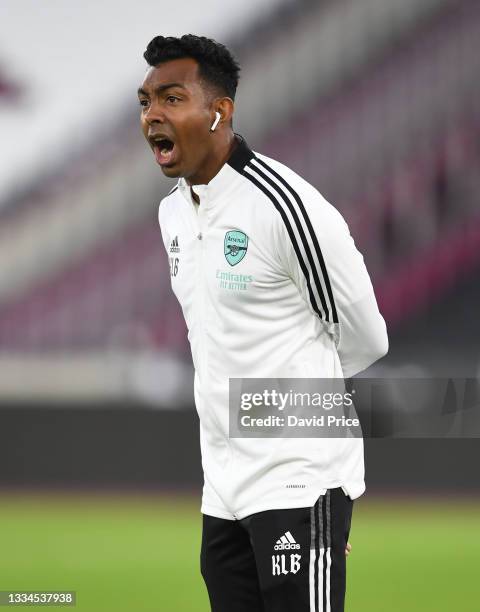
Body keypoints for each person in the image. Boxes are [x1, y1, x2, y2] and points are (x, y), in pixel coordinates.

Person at [138, 34, 388, 612]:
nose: (152, 115)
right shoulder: (172, 212)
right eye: (145, 101)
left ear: (220, 111)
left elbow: (365, 338)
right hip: (222, 489)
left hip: (299, 478)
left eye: (171, 98)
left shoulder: (285, 206)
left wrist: (299, 438)